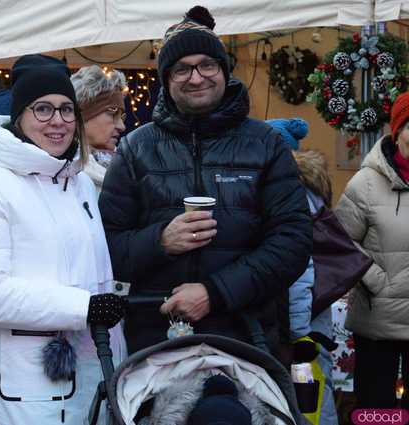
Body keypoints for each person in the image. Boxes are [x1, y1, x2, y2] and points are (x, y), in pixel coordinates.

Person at [99, 5, 312, 356]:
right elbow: (105, 245)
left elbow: (293, 241)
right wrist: (160, 241)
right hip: (155, 337)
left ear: (224, 71)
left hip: (247, 334)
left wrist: (215, 292)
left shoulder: (264, 144)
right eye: (182, 69)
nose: (196, 77)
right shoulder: (137, 149)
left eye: (207, 65)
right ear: (166, 80)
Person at [0, 54, 127, 425]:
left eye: (65, 110)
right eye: (42, 109)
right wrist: (83, 307)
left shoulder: (78, 182)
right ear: (20, 117)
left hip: (93, 370)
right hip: (26, 381)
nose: (57, 121)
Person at [335, 92, 409, 410]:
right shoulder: (365, 183)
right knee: (376, 409)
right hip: (378, 322)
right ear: (398, 130)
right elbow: (339, 242)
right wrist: (378, 281)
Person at [267, 118, 338, 425]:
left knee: (308, 404)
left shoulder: (289, 193)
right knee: (314, 399)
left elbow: (299, 269)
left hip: (302, 325)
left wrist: (297, 334)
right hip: (314, 317)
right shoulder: (309, 190)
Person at [71, 65, 127, 192]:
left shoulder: (129, 168)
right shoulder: (63, 176)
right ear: (83, 116)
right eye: (112, 112)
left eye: (122, 117)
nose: (121, 126)